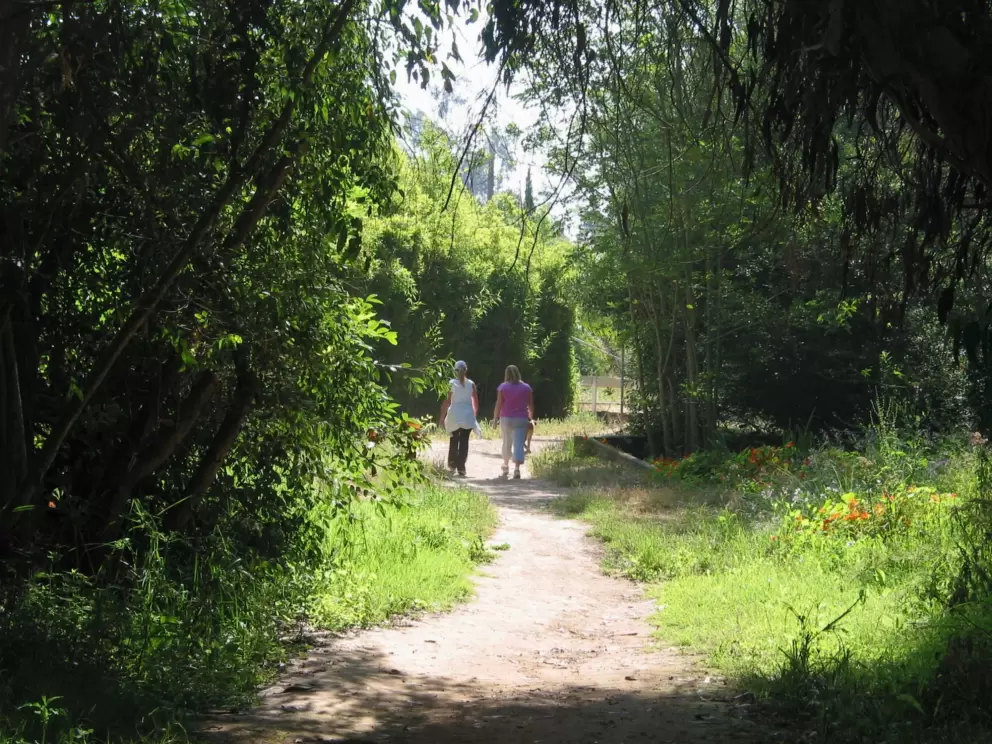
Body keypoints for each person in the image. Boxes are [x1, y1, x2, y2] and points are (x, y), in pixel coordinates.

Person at [440, 360, 480, 477]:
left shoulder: (451, 383)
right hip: (467, 414)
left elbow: (447, 401)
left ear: (455, 371)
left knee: (454, 438)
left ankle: (452, 464)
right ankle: (461, 467)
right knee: (464, 441)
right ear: (466, 370)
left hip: (454, 414)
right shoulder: (471, 384)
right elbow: (475, 401)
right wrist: (474, 414)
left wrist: (442, 417)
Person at [493, 364, 534, 479]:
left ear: (507, 374)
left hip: (506, 418)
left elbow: (499, 403)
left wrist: (495, 418)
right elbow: (530, 405)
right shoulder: (526, 388)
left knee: (507, 442)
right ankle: (517, 468)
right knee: (519, 443)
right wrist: (530, 417)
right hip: (521, 418)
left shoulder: (503, 387)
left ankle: (505, 466)